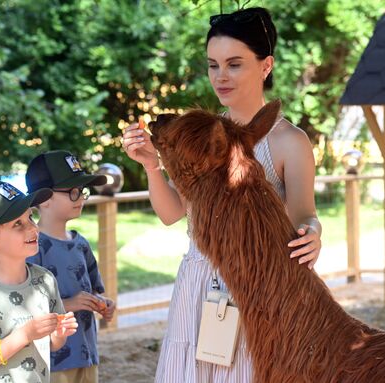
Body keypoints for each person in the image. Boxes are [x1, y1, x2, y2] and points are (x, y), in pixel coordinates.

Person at [122, 7, 322, 382]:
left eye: (234, 64)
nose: (221, 76)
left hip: (255, 292)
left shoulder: (290, 142)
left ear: (266, 66)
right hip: (196, 285)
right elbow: (172, 214)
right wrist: (152, 165)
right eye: (213, 65)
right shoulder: (202, 136)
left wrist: (313, 233)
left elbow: (304, 216)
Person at [0, 181, 78, 383]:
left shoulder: (45, 280)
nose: (33, 227)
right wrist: (24, 334)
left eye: (30, 217)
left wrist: (59, 334)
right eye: (18, 224)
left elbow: (51, 344)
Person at [25, 150, 116, 383]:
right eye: (73, 192)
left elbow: (94, 290)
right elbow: (22, 310)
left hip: (87, 355)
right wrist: (70, 304)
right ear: (44, 199)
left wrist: (102, 305)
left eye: (82, 191)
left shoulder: (80, 243)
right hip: (51, 364)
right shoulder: (31, 248)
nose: (82, 198)